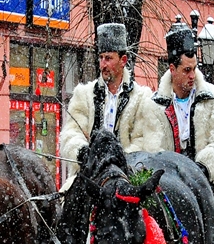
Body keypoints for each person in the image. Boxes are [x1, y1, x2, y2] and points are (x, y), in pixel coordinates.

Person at [151, 17, 214, 210]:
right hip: (167, 185)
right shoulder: (153, 106)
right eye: (186, 70)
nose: (192, 75)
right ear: (172, 69)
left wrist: (200, 169)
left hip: (212, 181)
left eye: (194, 69)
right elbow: (151, 148)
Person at [60, 22, 162, 179]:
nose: (103, 64)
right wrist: (83, 153)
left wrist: (116, 163)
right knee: (64, 201)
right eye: (101, 58)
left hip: (127, 178)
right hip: (88, 177)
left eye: (108, 58)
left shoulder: (142, 99)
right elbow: (71, 133)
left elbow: (145, 142)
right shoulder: (84, 95)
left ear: (123, 60)